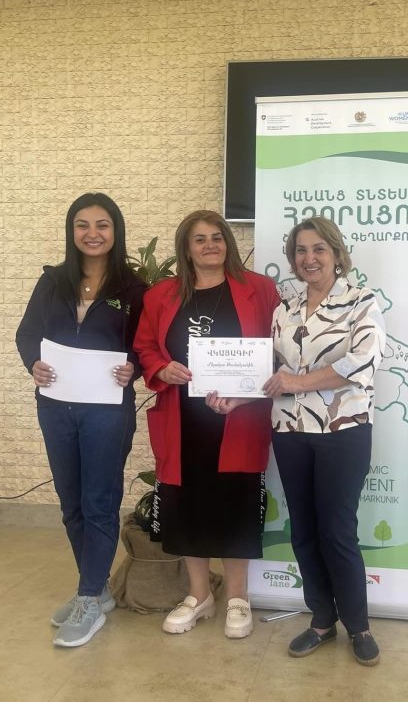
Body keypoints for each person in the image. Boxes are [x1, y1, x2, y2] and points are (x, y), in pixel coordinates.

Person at [133, 209, 280, 639]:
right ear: (187, 248)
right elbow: (145, 347)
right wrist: (162, 368)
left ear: (228, 244)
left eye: (217, 237)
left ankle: (237, 596)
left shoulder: (260, 289)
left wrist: (247, 390)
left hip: (240, 417)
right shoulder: (160, 295)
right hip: (183, 420)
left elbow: (278, 348)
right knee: (187, 507)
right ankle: (200, 596)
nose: (210, 245)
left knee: (235, 504)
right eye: (199, 239)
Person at [16, 192, 146, 648]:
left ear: (116, 231)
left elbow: (145, 346)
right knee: (70, 501)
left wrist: (136, 366)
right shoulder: (52, 281)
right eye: (83, 225)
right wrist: (33, 361)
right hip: (55, 406)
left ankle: (90, 597)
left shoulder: (134, 287)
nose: (93, 233)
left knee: (98, 499)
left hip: (107, 410)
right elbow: (28, 333)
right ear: (72, 231)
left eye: (102, 225)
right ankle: (92, 589)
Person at [261, 217, 386, 666]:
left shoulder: (362, 302)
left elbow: (361, 362)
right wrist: (232, 397)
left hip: (342, 431)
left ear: (336, 253)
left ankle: (359, 625)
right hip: (290, 432)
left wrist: (298, 382)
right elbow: (268, 371)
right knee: (304, 531)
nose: (309, 259)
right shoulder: (284, 309)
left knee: (337, 531)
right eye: (300, 251)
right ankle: (320, 620)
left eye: (318, 250)